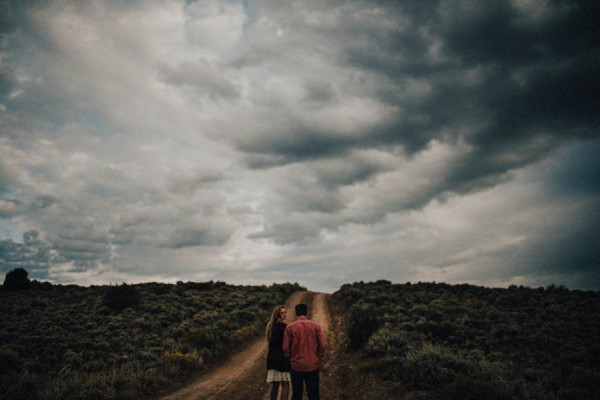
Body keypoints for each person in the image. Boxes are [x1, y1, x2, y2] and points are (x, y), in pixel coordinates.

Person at [282, 303, 326, 400]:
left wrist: (290, 357)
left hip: (296, 366)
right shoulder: (316, 326)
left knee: (297, 394)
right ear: (306, 312)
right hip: (312, 365)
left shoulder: (289, 328)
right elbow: (322, 344)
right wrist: (319, 356)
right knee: (313, 394)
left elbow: (285, 347)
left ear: (296, 313)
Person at [266, 305, 291, 400]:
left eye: (285, 312)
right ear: (277, 314)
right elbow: (286, 344)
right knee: (285, 384)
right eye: (282, 313)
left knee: (275, 385)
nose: (284, 315)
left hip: (272, 358)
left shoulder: (270, 326)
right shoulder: (284, 327)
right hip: (282, 358)